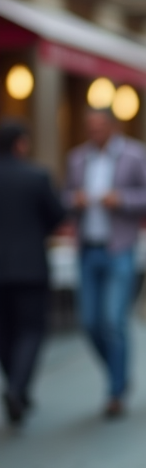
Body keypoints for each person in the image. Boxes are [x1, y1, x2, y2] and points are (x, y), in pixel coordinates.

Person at [63, 108, 146, 419]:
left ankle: (116, 391)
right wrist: (74, 200)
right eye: (89, 128)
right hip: (87, 248)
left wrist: (121, 199)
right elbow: (64, 196)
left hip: (119, 247)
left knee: (113, 320)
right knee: (89, 322)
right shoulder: (77, 158)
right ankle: (117, 372)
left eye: (99, 127)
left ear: (112, 127)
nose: (94, 133)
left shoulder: (134, 155)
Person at [0, 119, 66, 427]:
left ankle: (16, 387)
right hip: (30, 268)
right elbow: (57, 216)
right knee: (30, 330)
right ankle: (17, 388)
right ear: (21, 144)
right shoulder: (36, 176)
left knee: (5, 333)